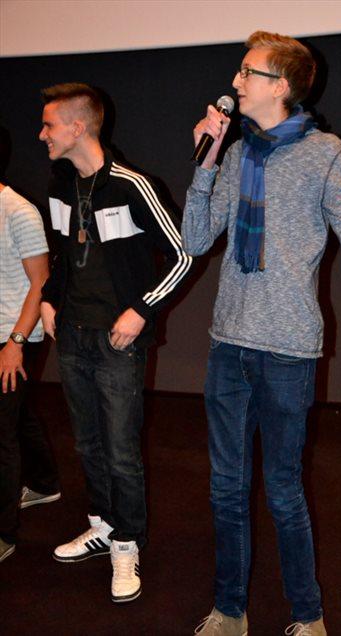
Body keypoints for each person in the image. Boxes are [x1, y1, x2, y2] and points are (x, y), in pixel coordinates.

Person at [182, 31, 341, 636]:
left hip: (288, 350)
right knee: (226, 489)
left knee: (283, 491)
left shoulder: (326, 152)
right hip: (228, 343)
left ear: (281, 85)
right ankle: (230, 611)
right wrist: (206, 158)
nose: (236, 81)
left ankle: (308, 616)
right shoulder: (237, 152)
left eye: (247, 72)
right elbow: (196, 240)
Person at [39, 83, 193, 602]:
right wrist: (48, 298)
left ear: (78, 127)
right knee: (87, 443)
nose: (42, 135)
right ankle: (103, 526)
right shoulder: (61, 184)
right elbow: (62, 253)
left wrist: (141, 310)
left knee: (122, 450)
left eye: (49, 125)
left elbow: (184, 254)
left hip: (117, 342)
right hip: (72, 335)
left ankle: (127, 543)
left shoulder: (131, 185)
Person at [0, 179, 61, 563]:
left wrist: (15, 343)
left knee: (1, 432)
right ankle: (44, 482)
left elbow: (41, 283)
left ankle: (3, 533)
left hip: (15, 336)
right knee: (16, 414)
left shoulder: (19, 211)